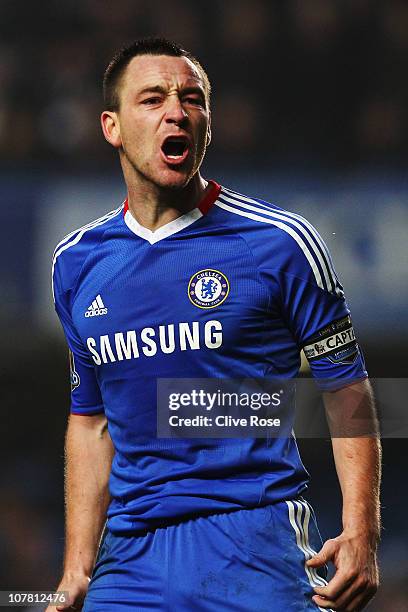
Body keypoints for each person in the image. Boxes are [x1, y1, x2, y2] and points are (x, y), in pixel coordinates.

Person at [49, 38, 381, 611]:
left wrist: (362, 532)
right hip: (129, 560)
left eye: (192, 99)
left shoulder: (281, 243)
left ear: (208, 124)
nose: (176, 111)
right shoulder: (77, 264)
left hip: (255, 543)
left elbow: (346, 388)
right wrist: (78, 567)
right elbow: (91, 422)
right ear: (112, 126)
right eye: (152, 99)